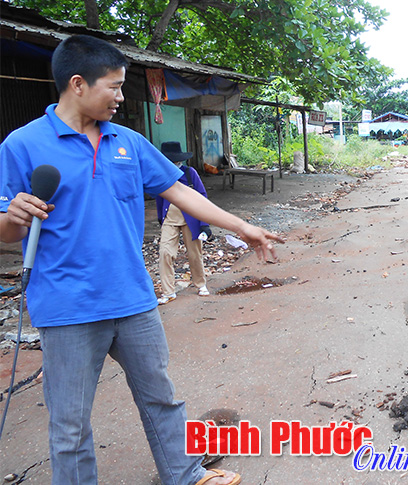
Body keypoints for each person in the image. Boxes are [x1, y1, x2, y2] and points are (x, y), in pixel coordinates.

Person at [0, 35, 283, 485]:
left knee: (161, 398)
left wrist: (241, 226)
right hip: (68, 306)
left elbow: (181, 192)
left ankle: (186, 475)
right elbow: (7, 231)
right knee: (70, 425)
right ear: (77, 83)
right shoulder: (23, 145)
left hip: (133, 298)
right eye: (113, 87)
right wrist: (12, 217)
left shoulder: (128, 142)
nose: (120, 97)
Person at [156, 142, 212, 305]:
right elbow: (159, 199)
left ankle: (200, 284)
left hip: (191, 219)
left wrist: (204, 223)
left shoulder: (189, 173)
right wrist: (161, 219)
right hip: (169, 219)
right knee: (165, 253)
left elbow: (202, 197)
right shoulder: (161, 175)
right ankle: (168, 291)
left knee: (194, 254)